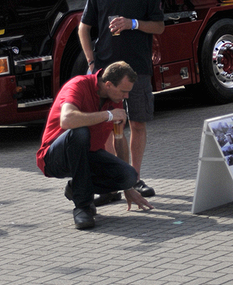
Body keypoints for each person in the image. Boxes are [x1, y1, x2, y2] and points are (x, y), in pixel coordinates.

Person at [78, 0, 165, 200]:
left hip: (137, 69)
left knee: (137, 123)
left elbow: (159, 26)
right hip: (106, 73)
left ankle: (134, 179)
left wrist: (133, 24)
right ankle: (114, 182)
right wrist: (92, 62)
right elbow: (84, 28)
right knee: (107, 125)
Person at [36, 61, 154, 230]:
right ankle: (82, 207)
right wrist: (107, 115)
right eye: (124, 91)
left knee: (128, 176)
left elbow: (119, 139)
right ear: (108, 84)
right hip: (54, 156)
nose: (126, 96)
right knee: (79, 132)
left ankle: (77, 187)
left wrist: (127, 188)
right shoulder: (78, 85)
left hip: (88, 155)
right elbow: (67, 120)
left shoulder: (115, 98)